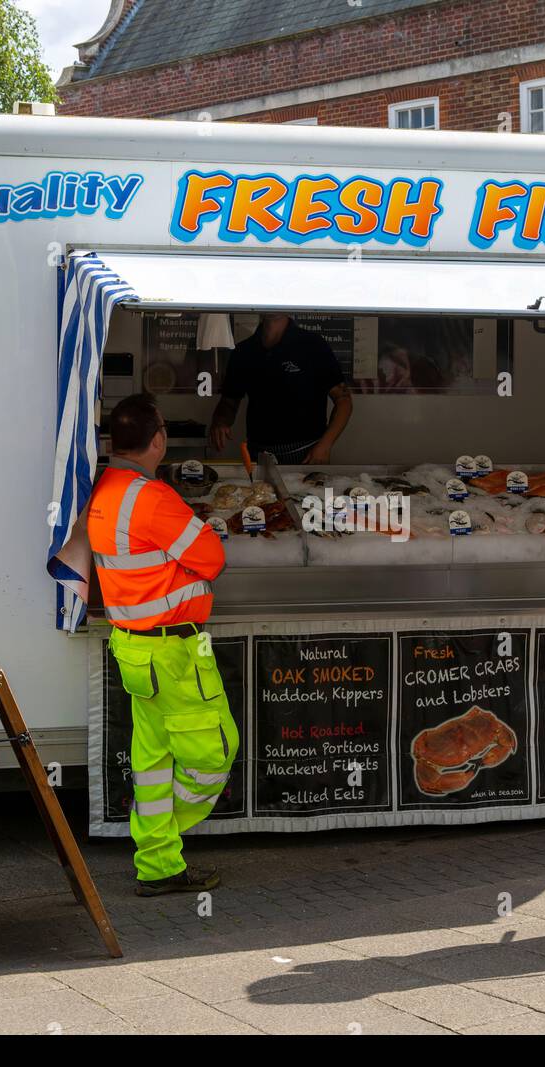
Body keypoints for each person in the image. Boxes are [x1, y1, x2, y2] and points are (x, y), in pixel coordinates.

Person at [87, 393, 240, 895]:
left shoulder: (104, 490)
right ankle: (163, 834)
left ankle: (158, 863)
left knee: (153, 761)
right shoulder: (152, 498)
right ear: (158, 441)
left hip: (133, 648)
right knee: (216, 751)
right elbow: (212, 558)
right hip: (176, 653)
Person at [208, 313, 352, 464]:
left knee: (323, 489)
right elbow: (229, 401)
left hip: (308, 455)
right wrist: (220, 421)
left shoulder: (313, 345)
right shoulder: (244, 351)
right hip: (258, 455)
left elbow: (343, 401)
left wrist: (325, 446)